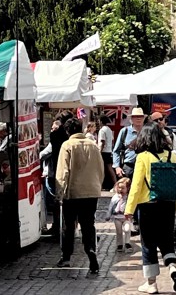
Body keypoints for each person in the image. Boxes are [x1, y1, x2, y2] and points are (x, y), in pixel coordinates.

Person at [124, 124, 176, 294]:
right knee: (166, 240)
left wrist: (129, 209)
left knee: (148, 243)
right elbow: (175, 186)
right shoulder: (172, 156)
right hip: (168, 204)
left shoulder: (143, 157)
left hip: (147, 206)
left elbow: (136, 186)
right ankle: (172, 267)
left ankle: (151, 284)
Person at [55, 118, 104, 273]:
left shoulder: (67, 145)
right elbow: (100, 169)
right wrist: (97, 185)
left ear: (68, 131)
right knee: (88, 225)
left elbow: (63, 171)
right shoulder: (93, 145)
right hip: (91, 191)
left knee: (69, 226)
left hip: (73, 192)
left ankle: (66, 257)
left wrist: (60, 192)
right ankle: (91, 252)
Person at [113, 106, 146, 179]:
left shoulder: (148, 132)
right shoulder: (125, 131)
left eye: (141, 116)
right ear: (131, 118)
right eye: (136, 116)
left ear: (144, 118)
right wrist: (117, 167)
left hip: (145, 167)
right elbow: (116, 150)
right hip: (129, 167)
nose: (138, 118)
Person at [106, 177, 133, 253]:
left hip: (126, 217)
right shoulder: (115, 197)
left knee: (127, 229)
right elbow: (111, 206)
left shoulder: (129, 197)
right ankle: (119, 244)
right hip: (117, 217)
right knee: (119, 232)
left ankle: (127, 242)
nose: (120, 190)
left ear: (127, 188)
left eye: (123, 188)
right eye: (119, 188)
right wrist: (108, 215)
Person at [97, 114, 116, 190]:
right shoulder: (109, 129)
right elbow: (112, 140)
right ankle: (115, 183)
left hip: (103, 151)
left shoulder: (102, 130)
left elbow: (102, 142)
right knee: (109, 168)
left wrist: (99, 152)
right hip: (109, 151)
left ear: (101, 121)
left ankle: (100, 186)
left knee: (101, 169)